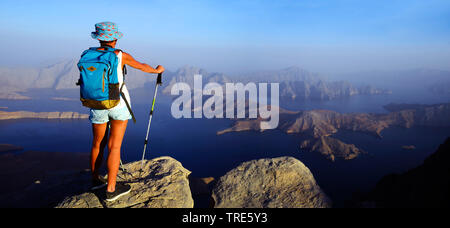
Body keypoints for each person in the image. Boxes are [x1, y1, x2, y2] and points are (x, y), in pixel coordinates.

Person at [87, 22, 164, 202]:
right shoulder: (120, 55)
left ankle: (95, 179)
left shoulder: (89, 55)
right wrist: (157, 70)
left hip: (96, 103)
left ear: (99, 38)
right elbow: (143, 67)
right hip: (118, 104)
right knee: (115, 146)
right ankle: (111, 189)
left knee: (97, 143)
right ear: (114, 39)